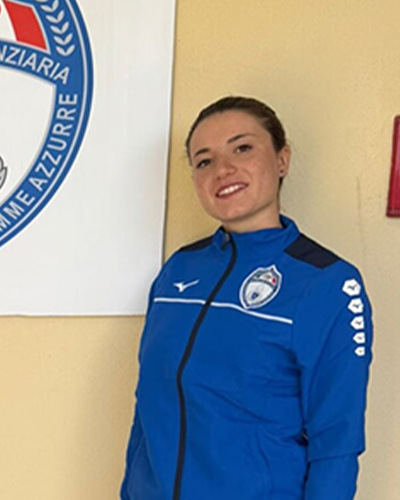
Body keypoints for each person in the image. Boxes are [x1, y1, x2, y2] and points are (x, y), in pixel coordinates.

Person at [121, 96, 373, 500]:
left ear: (282, 160)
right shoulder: (178, 271)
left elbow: (336, 442)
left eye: (242, 148)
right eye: (204, 161)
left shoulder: (326, 282)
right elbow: (148, 406)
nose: (223, 170)